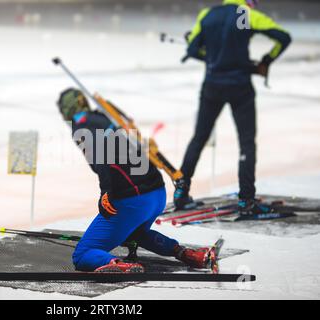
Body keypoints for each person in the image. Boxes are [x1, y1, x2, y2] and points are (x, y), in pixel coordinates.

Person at [57, 88, 211, 273]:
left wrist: (105, 192)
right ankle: (187, 254)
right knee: (134, 233)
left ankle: (120, 266)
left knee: (82, 255)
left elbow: (99, 156)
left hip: (134, 200)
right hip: (157, 193)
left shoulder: (81, 123)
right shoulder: (107, 116)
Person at [174, 0, 291, 215]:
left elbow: (192, 49)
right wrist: (265, 61)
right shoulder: (245, 15)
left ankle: (181, 193)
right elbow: (284, 38)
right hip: (240, 87)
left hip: (212, 85)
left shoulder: (208, 15)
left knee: (199, 138)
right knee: (246, 143)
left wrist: (212, 57)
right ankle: (246, 199)